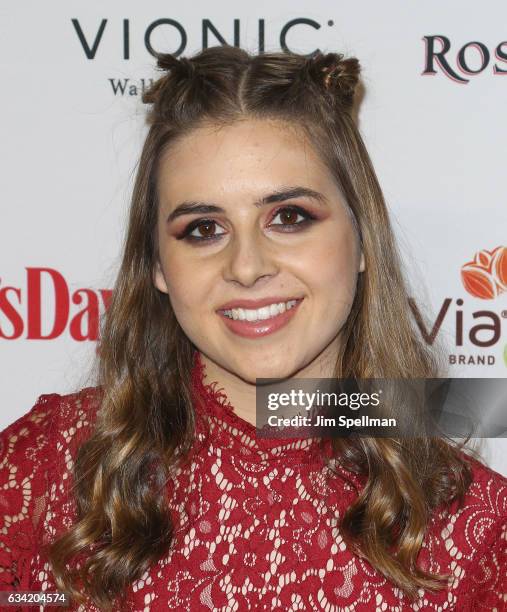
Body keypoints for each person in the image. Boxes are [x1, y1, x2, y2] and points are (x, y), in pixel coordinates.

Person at [0, 44, 505, 611]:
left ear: (364, 239)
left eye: (289, 218)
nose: (246, 267)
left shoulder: (477, 533)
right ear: (158, 267)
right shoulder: (44, 467)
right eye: (203, 228)